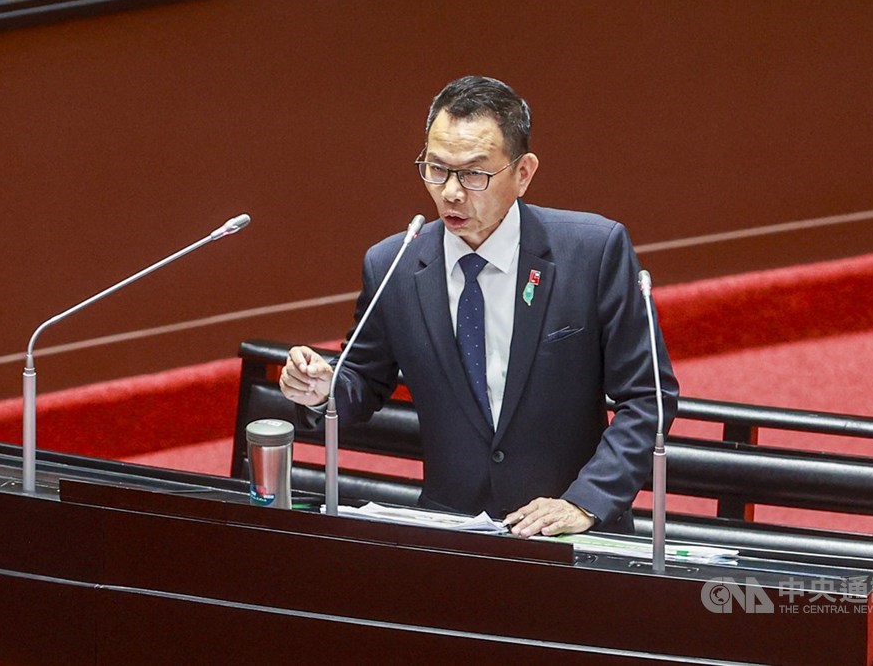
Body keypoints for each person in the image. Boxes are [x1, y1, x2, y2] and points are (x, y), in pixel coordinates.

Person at [279, 76, 678, 537]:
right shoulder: (393, 265)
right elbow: (364, 379)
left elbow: (647, 396)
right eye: (436, 169)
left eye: (473, 174)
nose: (451, 192)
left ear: (523, 173)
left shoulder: (592, 252)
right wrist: (323, 387)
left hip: (572, 532)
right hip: (453, 532)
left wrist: (585, 502)